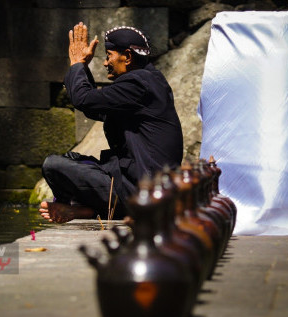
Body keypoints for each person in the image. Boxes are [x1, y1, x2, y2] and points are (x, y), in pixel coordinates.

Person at [39, 22, 183, 223]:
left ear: (128, 57)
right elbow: (92, 106)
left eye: (109, 56)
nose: (106, 63)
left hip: (144, 194)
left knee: (53, 165)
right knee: (72, 159)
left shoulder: (138, 84)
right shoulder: (148, 81)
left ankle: (84, 209)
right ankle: (84, 209)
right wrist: (81, 67)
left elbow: (84, 99)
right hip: (139, 186)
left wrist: (77, 64)